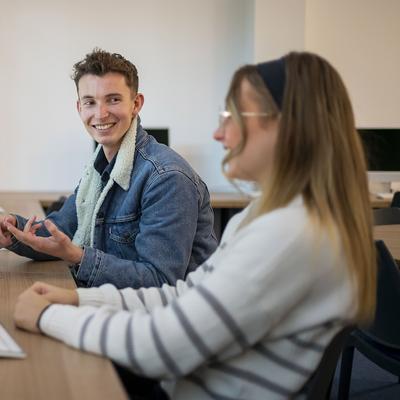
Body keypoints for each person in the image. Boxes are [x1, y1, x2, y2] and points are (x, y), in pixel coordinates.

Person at [13, 52, 376, 399]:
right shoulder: (264, 216)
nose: (219, 135)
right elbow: (182, 295)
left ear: (288, 127)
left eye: (232, 116)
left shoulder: (289, 233)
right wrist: (76, 298)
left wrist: (49, 316)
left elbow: (165, 347)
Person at [0, 49, 217, 289]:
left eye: (113, 99)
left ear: (136, 104)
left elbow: (160, 282)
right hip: (115, 306)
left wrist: (78, 257)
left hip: (165, 319)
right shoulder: (98, 170)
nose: (100, 113)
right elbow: (62, 232)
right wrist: (12, 230)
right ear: (79, 108)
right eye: (90, 102)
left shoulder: (167, 178)